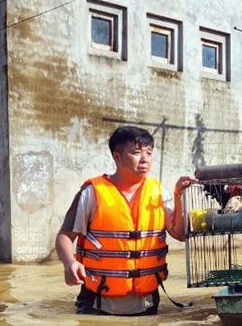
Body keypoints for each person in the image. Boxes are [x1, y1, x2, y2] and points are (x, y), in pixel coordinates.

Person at [55, 125, 194, 315]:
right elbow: (64, 235)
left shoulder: (160, 192)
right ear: (117, 157)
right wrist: (69, 263)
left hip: (147, 303)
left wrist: (178, 196)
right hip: (97, 303)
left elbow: (180, 234)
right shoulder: (92, 193)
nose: (144, 159)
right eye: (136, 153)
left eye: (149, 153)